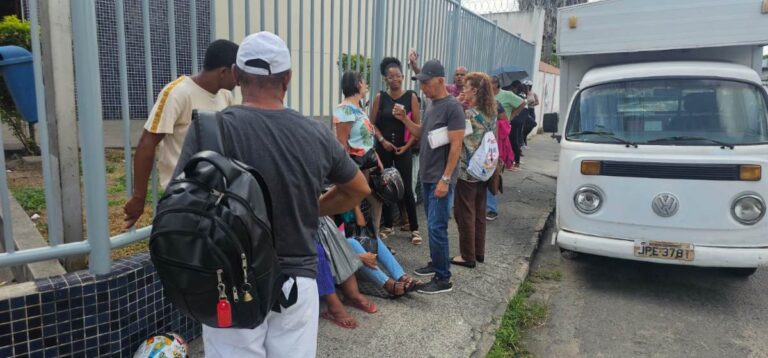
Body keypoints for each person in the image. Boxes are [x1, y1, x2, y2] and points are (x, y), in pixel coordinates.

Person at [172, 32, 370, 358]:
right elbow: (357, 189)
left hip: (229, 281)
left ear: (236, 75)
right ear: (288, 79)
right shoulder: (316, 134)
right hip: (297, 281)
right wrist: (313, 208)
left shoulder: (209, 130)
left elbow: (179, 203)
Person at [123, 39, 239, 229]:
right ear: (224, 72)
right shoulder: (178, 93)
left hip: (215, 196)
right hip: (183, 197)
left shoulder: (225, 96)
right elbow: (147, 143)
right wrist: (139, 198)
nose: (240, 80)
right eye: (237, 73)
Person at [403, 59, 464, 294]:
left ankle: (443, 278)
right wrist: (404, 120)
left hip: (440, 178)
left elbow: (456, 145)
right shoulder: (432, 105)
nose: (422, 87)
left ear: (440, 81)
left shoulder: (452, 107)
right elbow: (421, 133)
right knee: (433, 225)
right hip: (428, 177)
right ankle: (436, 262)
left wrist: (446, 179)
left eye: (425, 83)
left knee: (437, 227)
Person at [370, 57, 422, 245]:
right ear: (385, 79)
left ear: (403, 76)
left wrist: (407, 146)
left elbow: (417, 127)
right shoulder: (380, 98)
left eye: (397, 76)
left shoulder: (411, 97)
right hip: (384, 148)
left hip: (404, 148)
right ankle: (388, 226)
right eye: (390, 77)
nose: (394, 80)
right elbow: (372, 124)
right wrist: (382, 140)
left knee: (407, 187)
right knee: (384, 185)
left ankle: (415, 228)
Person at [451, 73, 497, 268]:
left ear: (475, 91)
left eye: (467, 87)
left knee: (464, 212)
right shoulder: (491, 113)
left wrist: (456, 102)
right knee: (479, 210)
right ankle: (479, 251)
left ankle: (467, 255)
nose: (463, 90)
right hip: (485, 169)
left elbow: (455, 135)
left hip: (467, 169)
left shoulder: (469, 114)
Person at [333, 71, 385, 238]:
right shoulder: (345, 110)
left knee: (376, 201)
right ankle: (361, 243)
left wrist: (376, 157)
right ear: (357, 84)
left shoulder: (358, 108)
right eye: (364, 82)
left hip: (367, 164)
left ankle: (373, 240)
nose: (366, 85)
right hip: (356, 166)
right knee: (358, 202)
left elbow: (365, 139)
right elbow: (341, 144)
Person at [485, 99, 512, 222]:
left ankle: (491, 209)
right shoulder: (467, 103)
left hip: (490, 148)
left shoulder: (494, 104)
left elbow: (504, 125)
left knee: (492, 178)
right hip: (474, 149)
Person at [497, 79, 526, 170]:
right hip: (491, 126)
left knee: (511, 143)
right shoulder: (485, 94)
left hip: (504, 125)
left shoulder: (507, 94)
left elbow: (522, 103)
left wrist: (513, 115)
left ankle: (514, 162)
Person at [521, 79, 540, 148]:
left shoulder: (533, 93)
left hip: (531, 110)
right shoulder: (523, 94)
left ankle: (524, 138)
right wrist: (528, 103)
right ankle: (523, 142)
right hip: (526, 110)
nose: (528, 88)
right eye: (526, 86)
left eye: (529, 86)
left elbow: (537, 102)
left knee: (532, 124)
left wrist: (532, 104)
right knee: (524, 126)